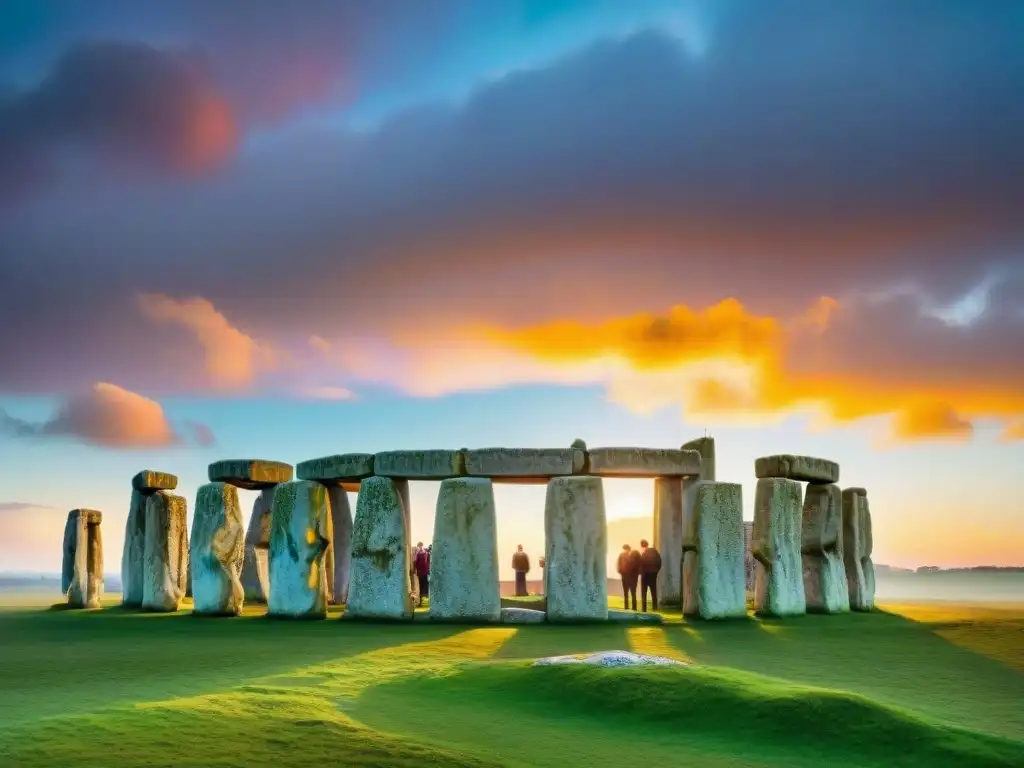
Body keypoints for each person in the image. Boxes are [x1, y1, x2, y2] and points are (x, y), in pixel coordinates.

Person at [639, 539, 662, 612]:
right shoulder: (655, 552)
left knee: (644, 593)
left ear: (642, 546)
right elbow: (659, 562)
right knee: (653, 592)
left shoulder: (644, 553)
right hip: (653, 575)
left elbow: (641, 564)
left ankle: (644, 609)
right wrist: (656, 572)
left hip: (645, 575)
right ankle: (655, 607)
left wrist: (641, 572)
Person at [617, 544, 641, 610]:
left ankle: (629, 607)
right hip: (629, 577)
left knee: (629, 593)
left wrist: (622, 572)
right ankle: (631, 607)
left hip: (627, 577)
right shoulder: (625, 555)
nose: (625, 550)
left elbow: (619, 566)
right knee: (630, 593)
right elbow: (619, 566)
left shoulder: (623, 555)